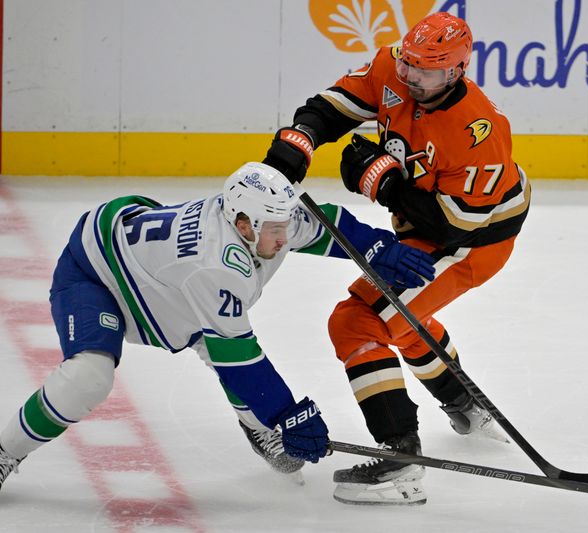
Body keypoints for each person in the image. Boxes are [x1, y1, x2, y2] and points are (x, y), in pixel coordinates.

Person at [0, 162, 436, 493]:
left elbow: (323, 225)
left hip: (164, 283)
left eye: (285, 226)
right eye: (275, 231)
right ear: (243, 224)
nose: (285, 239)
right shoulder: (214, 265)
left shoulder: (263, 217)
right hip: (97, 275)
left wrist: (376, 247)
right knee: (89, 377)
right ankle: (4, 452)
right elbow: (239, 358)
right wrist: (286, 415)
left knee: (222, 343)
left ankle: (257, 425)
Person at [262, 11, 531, 505]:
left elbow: (455, 226)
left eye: (425, 71)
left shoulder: (480, 130)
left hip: (473, 244)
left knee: (358, 322)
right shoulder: (396, 68)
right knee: (401, 319)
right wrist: (298, 142)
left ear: (455, 71)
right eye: (407, 64)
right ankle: (463, 400)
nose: (409, 78)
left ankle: (401, 459)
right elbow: (333, 107)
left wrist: (382, 181)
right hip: (430, 228)